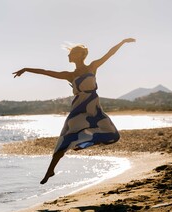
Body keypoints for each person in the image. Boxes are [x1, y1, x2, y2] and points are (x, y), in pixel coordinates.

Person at [13, 38, 136, 184]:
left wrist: (122, 42)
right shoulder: (70, 75)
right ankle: (50, 171)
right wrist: (26, 69)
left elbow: (109, 54)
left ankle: (85, 143)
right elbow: (46, 72)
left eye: (70, 53)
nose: (68, 56)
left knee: (113, 135)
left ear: (78, 55)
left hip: (94, 107)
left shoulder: (92, 67)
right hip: (78, 109)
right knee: (65, 138)